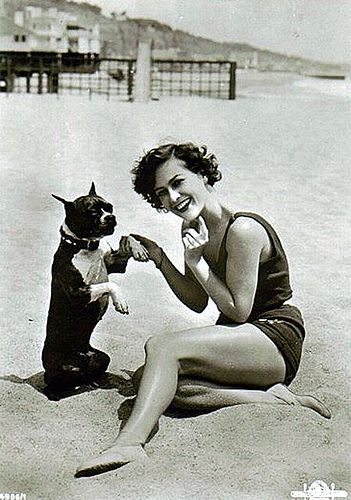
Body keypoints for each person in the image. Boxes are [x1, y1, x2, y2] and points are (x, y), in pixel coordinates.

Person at [76, 142, 330, 478]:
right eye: (162, 193)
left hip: (273, 336)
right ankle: (276, 401)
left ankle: (129, 444)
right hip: (240, 341)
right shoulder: (192, 228)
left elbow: (239, 310)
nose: (172, 197)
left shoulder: (243, 230)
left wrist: (196, 262)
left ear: (203, 174)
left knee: (160, 347)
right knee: (149, 380)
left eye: (178, 182)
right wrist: (161, 258)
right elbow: (197, 301)